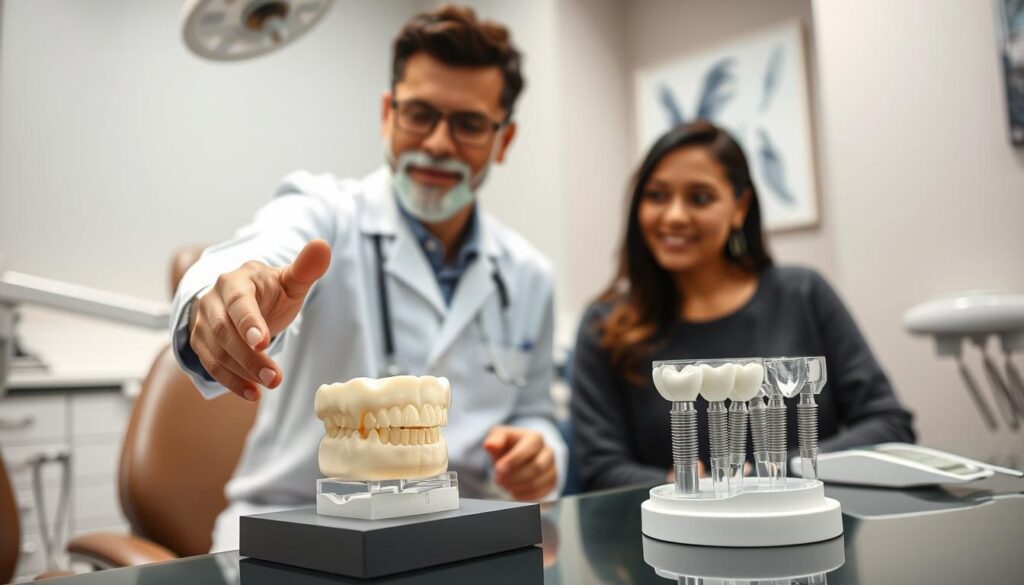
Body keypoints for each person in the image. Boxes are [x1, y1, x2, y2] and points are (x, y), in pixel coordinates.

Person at [170, 5, 565, 551]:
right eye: (420, 114)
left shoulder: (529, 275)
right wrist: (229, 297)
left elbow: (536, 409)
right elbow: (258, 252)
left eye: (470, 124)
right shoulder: (326, 210)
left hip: (459, 540)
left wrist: (542, 450)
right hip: (297, 535)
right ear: (388, 113)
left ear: (504, 138)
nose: (439, 144)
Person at [570, 120, 915, 491]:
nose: (673, 216)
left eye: (699, 198)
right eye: (656, 196)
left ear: (740, 207)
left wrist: (771, 472)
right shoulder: (604, 326)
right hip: (672, 540)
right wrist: (684, 487)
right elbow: (598, 469)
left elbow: (888, 424)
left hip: (809, 533)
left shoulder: (804, 294)